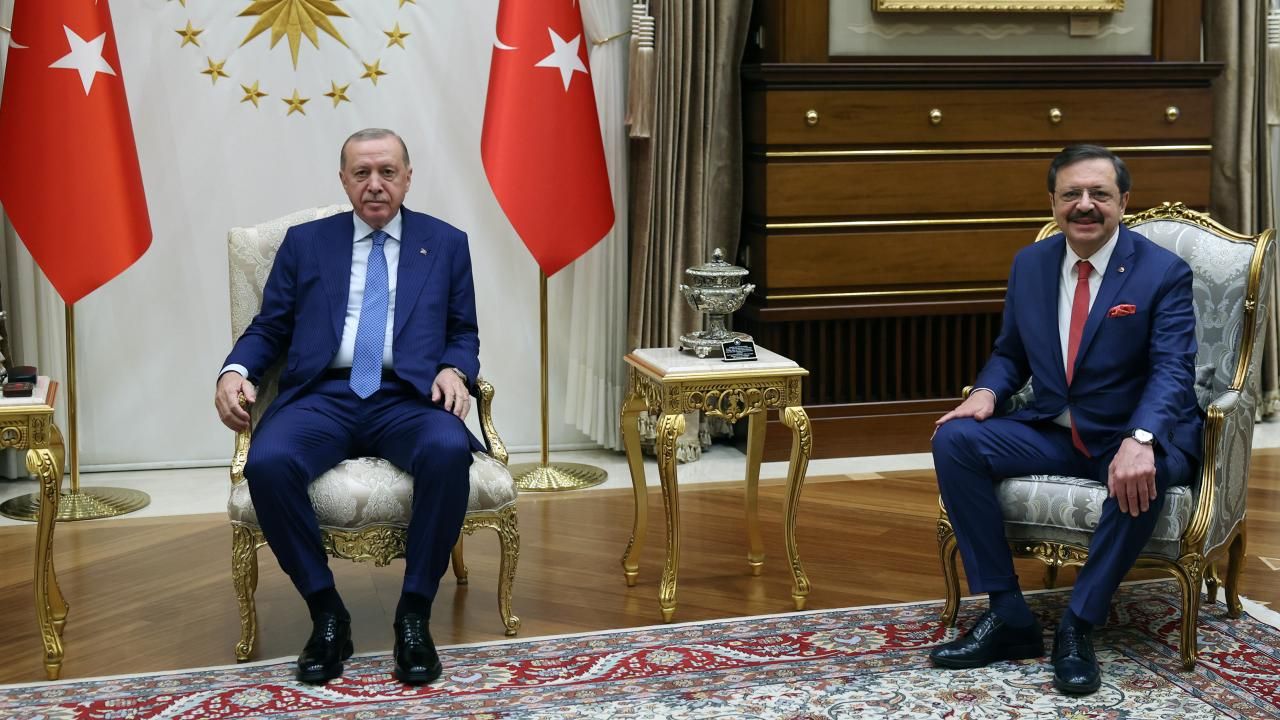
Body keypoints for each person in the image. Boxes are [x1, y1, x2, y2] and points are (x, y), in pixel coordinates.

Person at [928, 144, 1202, 694]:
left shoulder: (1162, 271)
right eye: (1071, 193)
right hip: (1055, 429)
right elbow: (1011, 352)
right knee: (955, 440)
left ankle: (1078, 625)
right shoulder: (1031, 264)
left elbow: (1172, 369)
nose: (1084, 205)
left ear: (1123, 201)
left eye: (1099, 193)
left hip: (1130, 434)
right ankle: (1008, 613)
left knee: (1139, 480)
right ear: (1052, 202)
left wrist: (1142, 438)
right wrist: (986, 391)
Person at [214, 128, 481, 685]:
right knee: (268, 462)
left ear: (408, 177)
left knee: (447, 449)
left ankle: (414, 615)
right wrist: (235, 370)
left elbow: (462, 331)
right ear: (343, 180)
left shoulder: (446, 242)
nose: (375, 184)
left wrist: (454, 369)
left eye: (387, 172)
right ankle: (327, 613)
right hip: (323, 395)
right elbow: (270, 327)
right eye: (362, 173)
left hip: (407, 396)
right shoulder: (305, 244)